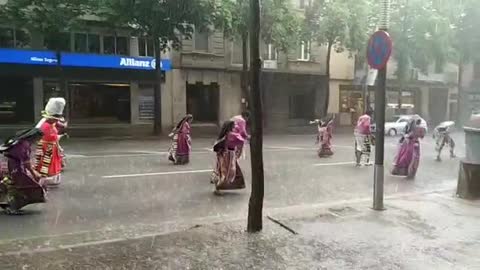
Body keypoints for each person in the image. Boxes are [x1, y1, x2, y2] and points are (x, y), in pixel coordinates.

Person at [0, 128, 47, 215]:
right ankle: (12, 207)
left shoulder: (18, 142)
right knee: (23, 187)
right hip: (15, 168)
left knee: (11, 186)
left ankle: (8, 204)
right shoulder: (24, 145)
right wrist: (33, 173)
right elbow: (26, 162)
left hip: (8, 165)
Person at [34, 98, 66, 187]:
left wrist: (58, 146)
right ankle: (44, 179)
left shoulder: (50, 124)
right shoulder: (46, 126)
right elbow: (48, 137)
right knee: (46, 164)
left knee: (51, 163)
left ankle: (49, 178)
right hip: (47, 148)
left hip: (52, 147)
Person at [211, 121, 246, 195]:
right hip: (229, 155)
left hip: (223, 154)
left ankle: (218, 186)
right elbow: (242, 140)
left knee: (222, 170)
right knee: (228, 172)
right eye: (233, 126)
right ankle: (219, 186)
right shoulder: (232, 135)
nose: (234, 127)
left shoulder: (224, 135)